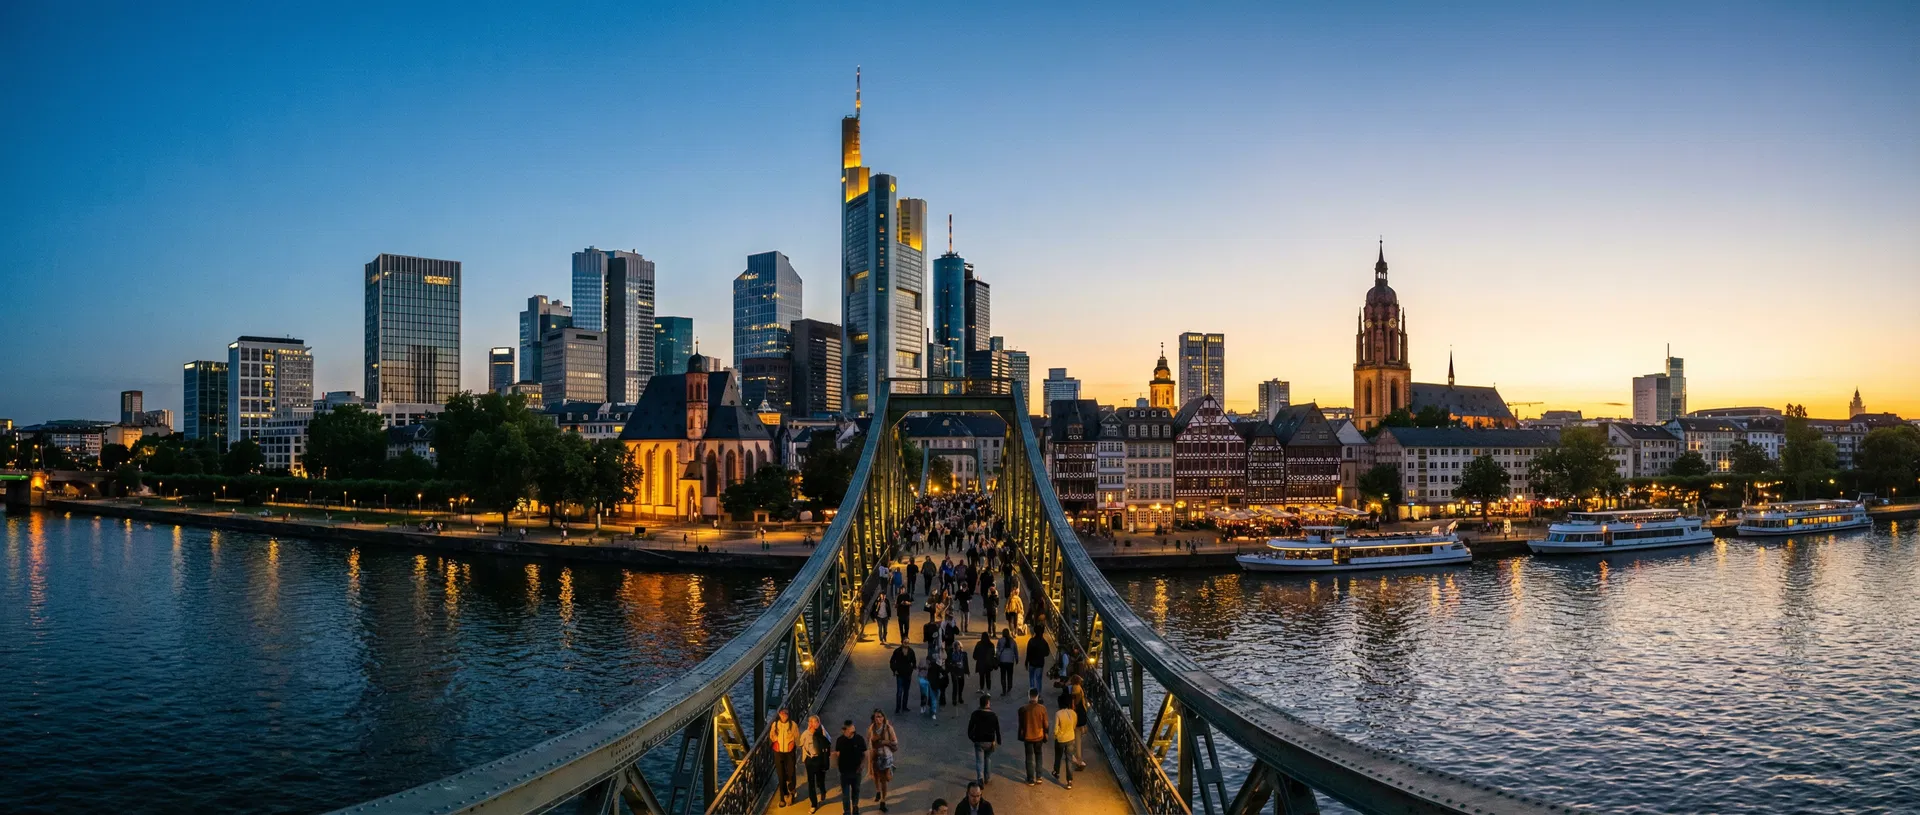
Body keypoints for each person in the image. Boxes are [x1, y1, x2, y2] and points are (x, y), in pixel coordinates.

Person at [832, 719, 868, 815]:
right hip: (844, 772)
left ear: (850, 730)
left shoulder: (859, 739)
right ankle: (847, 811)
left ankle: (855, 807)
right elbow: (838, 753)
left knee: (856, 790)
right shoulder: (840, 740)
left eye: (846, 730)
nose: (844, 732)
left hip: (856, 771)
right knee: (846, 794)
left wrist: (862, 765)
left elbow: (865, 753)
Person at [966, 695, 1001, 787]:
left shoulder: (975, 714)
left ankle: (980, 778)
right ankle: (987, 777)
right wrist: (998, 740)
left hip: (979, 741)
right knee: (987, 758)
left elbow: (970, 729)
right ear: (988, 703)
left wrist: (973, 738)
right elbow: (997, 729)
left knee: (979, 761)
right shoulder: (993, 715)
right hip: (990, 741)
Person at [868, 709, 898, 812]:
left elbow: (895, 742)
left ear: (883, 717)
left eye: (880, 716)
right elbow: (869, 742)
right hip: (876, 757)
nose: (878, 719)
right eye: (876, 717)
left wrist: (885, 742)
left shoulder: (888, 728)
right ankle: (877, 791)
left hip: (886, 757)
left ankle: (883, 801)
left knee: (884, 780)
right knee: (876, 776)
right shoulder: (872, 728)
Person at [803, 714, 833, 811]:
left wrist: (818, 733)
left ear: (818, 723)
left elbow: (829, 742)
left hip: (820, 759)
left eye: (814, 722)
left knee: (820, 780)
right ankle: (814, 804)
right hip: (810, 760)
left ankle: (822, 790)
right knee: (811, 783)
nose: (811, 724)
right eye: (810, 722)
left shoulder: (822, 732)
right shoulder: (806, 733)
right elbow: (800, 742)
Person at [1017, 690, 1048, 786]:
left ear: (1028, 696)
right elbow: (1046, 724)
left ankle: (1030, 779)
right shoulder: (1042, 709)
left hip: (1028, 737)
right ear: (1037, 696)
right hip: (1039, 736)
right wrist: (1046, 733)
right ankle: (1039, 777)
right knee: (1039, 756)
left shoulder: (1023, 709)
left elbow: (1021, 724)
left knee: (1029, 757)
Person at [771, 707, 800, 806]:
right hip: (779, 752)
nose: (784, 716)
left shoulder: (793, 725)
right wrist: (775, 741)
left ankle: (792, 788)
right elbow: (771, 736)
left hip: (789, 752)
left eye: (786, 714)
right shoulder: (775, 725)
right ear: (779, 714)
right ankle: (783, 796)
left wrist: (795, 745)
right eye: (782, 714)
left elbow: (797, 738)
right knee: (781, 775)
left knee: (791, 772)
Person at [1051, 700, 1077, 788]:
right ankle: (1069, 781)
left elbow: (1056, 728)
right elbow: (1074, 724)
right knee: (1069, 759)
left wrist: (1055, 736)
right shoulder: (1073, 713)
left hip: (1061, 739)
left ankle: (1056, 772)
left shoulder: (1058, 714)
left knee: (1058, 756)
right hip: (1071, 737)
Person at [890, 643, 918, 714]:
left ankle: (904, 707)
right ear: (902, 642)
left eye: (908, 642)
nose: (906, 643)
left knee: (906, 691)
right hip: (900, 674)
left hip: (908, 674)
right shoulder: (897, 651)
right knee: (899, 692)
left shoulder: (911, 651)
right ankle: (898, 708)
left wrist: (912, 668)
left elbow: (914, 661)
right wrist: (894, 670)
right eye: (905, 642)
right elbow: (892, 661)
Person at [995, 631, 1018, 697]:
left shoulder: (1000, 640)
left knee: (1003, 675)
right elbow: (1015, 650)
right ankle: (1009, 687)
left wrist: (997, 657)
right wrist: (1016, 658)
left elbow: (997, 650)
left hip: (1002, 660)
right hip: (1010, 661)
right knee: (1010, 675)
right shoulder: (1012, 641)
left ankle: (1004, 690)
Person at [927, 651, 948, 719]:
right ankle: (933, 712)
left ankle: (932, 711)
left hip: (935, 685)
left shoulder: (936, 667)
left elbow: (944, 675)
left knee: (934, 699)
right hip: (935, 685)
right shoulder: (935, 667)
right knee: (934, 698)